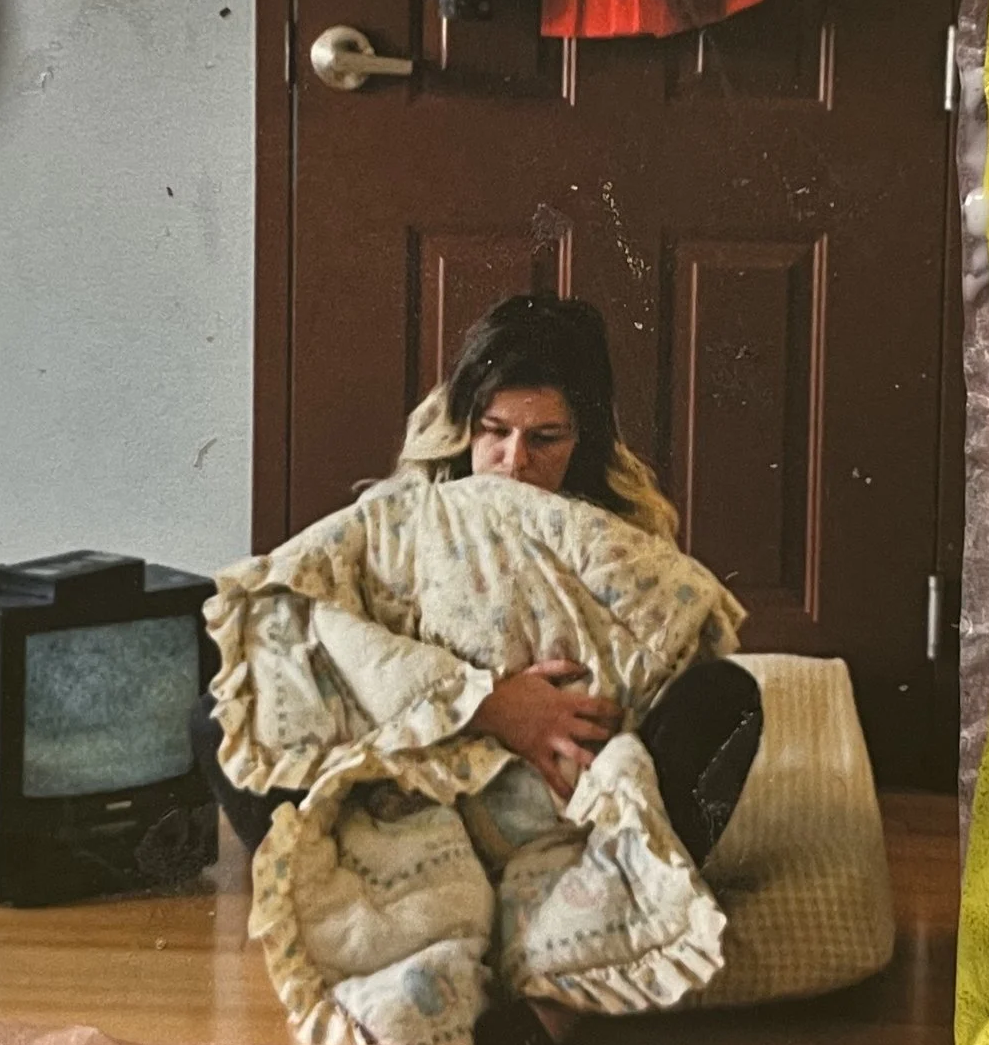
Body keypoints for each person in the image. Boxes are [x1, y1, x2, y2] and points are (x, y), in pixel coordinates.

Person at [191, 293, 762, 871]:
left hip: (566, 792)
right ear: (465, 425)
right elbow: (336, 637)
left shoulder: (619, 534)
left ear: (583, 438)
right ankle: (369, 882)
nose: (514, 462)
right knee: (223, 713)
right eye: (495, 431)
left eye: (545, 438)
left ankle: (612, 879)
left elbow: (651, 663)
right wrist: (487, 702)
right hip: (413, 776)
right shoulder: (403, 517)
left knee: (725, 695)